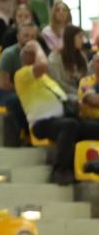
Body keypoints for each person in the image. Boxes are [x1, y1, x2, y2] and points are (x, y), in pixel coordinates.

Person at [16, 40, 99, 184]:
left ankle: (94, 164)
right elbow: (42, 65)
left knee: (92, 126)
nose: (40, 57)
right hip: (41, 123)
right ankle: (59, 170)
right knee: (69, 125)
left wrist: (74, 103)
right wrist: (36, 46)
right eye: (37, 55)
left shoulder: (47, 79)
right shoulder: (21, 74)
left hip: (62, 119)